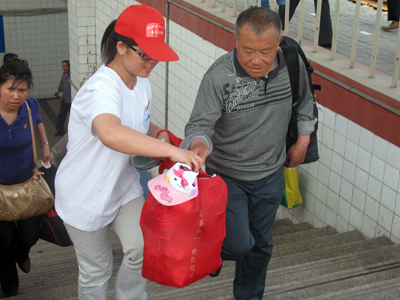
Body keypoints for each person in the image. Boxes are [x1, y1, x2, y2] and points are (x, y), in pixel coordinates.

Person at [54, 4, 203, 300]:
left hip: (123, 186)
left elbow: (138, 124)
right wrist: (169, 151)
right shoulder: (101, 88)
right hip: (85, 194)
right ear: (121, 47)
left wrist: (159, 134)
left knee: (143, 247)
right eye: (144, 54)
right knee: (97, 270)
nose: (152, 62)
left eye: (156, 54)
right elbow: (110, 132)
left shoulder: (141, 82)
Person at [181, 7, 315, 300]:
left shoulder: (292, 64)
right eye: (248, 51)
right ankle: (212, 253)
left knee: (261, 244)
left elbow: (305, 102)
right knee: (239, 244)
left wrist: (303, 140)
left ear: (278, 42)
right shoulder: (219, 76)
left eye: (265, 51)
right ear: (236, 40)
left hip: (271, 175)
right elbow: (200, 124)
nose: (256, 60)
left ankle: (249, 296)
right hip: (228, 177)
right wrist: (199, 144)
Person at [0, 53, 52, 297]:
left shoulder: (29, 108)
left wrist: (44, 145)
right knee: (4, 241)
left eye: (22, 90)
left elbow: (40, 122)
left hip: (28, 186)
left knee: (29, 236)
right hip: (0, 190)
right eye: (10, 89)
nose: (16, 95)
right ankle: (10, 287)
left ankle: (22, 256)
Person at [54, 60, 71, 137]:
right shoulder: (64, 75)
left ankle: (71, 132)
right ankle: (60, 130)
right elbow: (62, 84)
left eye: (65, 66)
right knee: (62, 115)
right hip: (64, 99)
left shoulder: (72, 75)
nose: (64, 68)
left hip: (71, 100)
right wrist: (58, 91)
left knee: (72, 117)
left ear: (69, 66)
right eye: (63, 66)